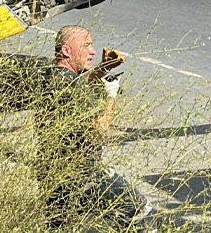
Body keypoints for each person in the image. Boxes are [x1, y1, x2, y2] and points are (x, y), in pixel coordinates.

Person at [36, 24, 151, 228]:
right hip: (82, 178)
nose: (93, 51)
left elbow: (78, 79)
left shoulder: (57, 77)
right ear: (66, 51)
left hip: (55, 178)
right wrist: (111, 95)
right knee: (140, 212)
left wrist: (102, 69)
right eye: (86, 46)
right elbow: (98, 130)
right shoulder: (71, 87)